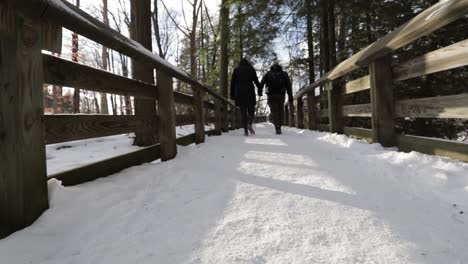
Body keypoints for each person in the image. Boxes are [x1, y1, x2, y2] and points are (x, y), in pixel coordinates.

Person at [259, 62, 293, 135]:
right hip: (281, 95)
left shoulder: (268, 74)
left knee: (274, 111)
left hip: (271, 95)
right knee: (280, 110)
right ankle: (279, 125)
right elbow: (288, 85)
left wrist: (260, 92)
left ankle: (277, 127)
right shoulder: (284, 74)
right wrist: (290, 96)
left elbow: (262, 83)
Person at [230, 58, 261, 136]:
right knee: (251, 111)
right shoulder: (251, 69)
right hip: (249, 92)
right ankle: (249, 123)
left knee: (243, 113)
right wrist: (259, 90)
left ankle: (245, 130)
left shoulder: (236, 70)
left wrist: (232, 95)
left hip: (239, 93)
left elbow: (232, 83)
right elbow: (256, 81)